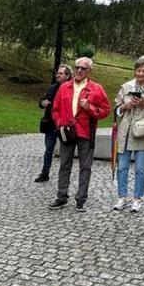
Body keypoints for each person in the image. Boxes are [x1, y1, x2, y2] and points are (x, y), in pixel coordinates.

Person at [47, 57, 110, 212]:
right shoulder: (64, 88)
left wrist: (90, 108)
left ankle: (81, 199)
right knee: (64, 164)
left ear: (89, 71)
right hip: (67, 131)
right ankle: (61, 196)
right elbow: (55, 109)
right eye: (77, 68)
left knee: (85, 166)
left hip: (86, 132)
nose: (80, 71)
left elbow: (105, 111)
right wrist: (60, 123)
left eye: (84, 68)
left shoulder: (97, 89)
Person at [112, 55, 144, 212]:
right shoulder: (126, 86)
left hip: (143, 132)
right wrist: (125, 106)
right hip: (125, 131)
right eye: (138, 70)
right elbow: (116, 109)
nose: (141, 74)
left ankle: (137, 198)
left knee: (141, 168)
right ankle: (122, 197)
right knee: (122, 167)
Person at [34, 64, 71, 183]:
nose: (57, 76)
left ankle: (65, 176)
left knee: (66, 151)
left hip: (65, 125)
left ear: (67, 75)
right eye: (57, 73)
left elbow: (62, 107)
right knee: (48, 150)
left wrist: (49, 105)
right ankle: (45, 173)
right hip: (50, 124)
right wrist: (45, 103)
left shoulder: (71, 89)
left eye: (60, 74)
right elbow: (42, 101)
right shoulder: (53, 87)